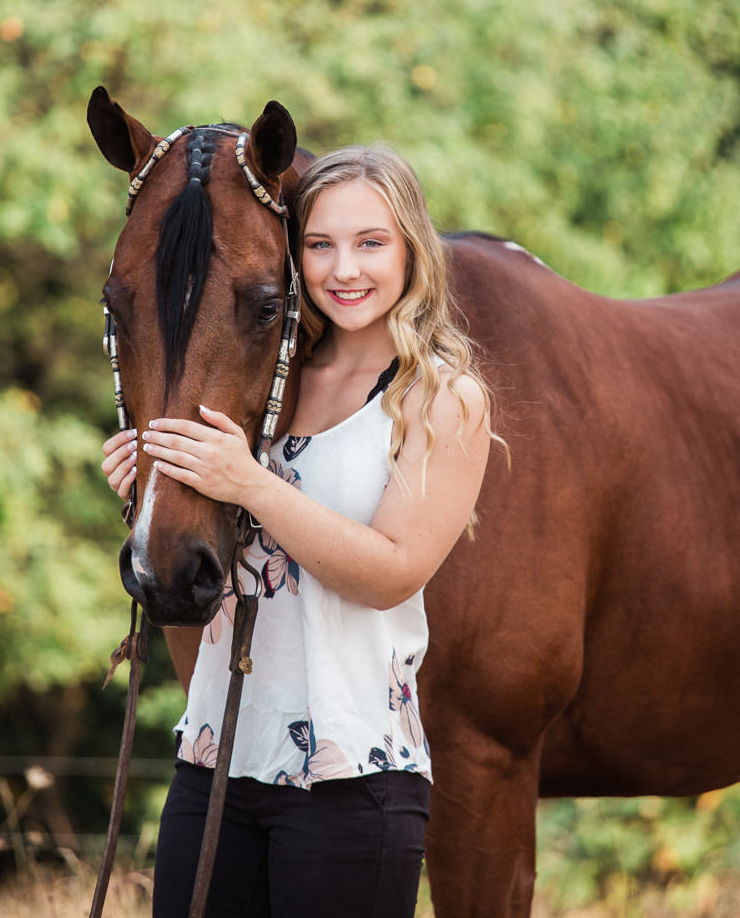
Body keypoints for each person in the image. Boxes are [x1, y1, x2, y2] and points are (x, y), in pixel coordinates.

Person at [101, 144, 498, 918]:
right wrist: (153, 498)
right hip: (215, 760)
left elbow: (392, 573)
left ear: (413, 249)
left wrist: (248, 482)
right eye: (320, 245)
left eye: (370, 243)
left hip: (351, 778)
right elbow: (219, 595)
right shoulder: (264, 386)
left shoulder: (441, 399)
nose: (343, 268)